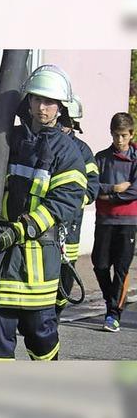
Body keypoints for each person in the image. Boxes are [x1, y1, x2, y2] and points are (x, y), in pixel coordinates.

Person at [0, 64, 86, 360]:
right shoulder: (6, 140)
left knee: (41, 340)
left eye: (49, 102)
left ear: (60, 107)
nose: (42, 107)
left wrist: (17, 230)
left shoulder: (68, 153)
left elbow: (62, 202)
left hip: (35, 266)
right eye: (37, 99)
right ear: (28, 101)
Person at [54, 94, 99, 317]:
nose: (62, 127)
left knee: (65, 273)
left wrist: (69, 202)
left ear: (73, 124)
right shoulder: (44, 143)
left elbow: (92, 188)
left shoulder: (82, 152)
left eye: (66, 123)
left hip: (69, 227)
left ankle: (57, 311)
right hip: (44, 223)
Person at [92, 112, 137, 333]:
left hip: (128, 221)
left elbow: (135, 192)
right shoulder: (100, 158)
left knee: (121, 268)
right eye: (115, 135)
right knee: (99, 264)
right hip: (104, 220)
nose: (119, 140)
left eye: (123, 136)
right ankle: (113, 300)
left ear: (131, 135)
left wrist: (107, 197)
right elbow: (91, 187)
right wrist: (113, 189)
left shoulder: (136, 159)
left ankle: (113, 314)